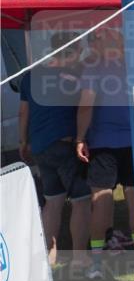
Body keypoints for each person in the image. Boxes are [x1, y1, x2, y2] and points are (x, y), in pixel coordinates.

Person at [18, 32, 91, 265]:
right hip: (65, 144)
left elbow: (23, 112)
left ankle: (48, 257)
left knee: (53, 201)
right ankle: (80, 257)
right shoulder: (75, 76)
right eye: (79, 50)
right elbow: (85, 107)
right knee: (81, 200)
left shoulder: (30, 76)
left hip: (40, 147)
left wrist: (23, 141)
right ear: (72, 50)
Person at [75, 27, 134, 279]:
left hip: (103, 143)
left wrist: (80, 137)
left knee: (101, 202)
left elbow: (85, 106)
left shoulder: (94, 69)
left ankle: (97, 263)